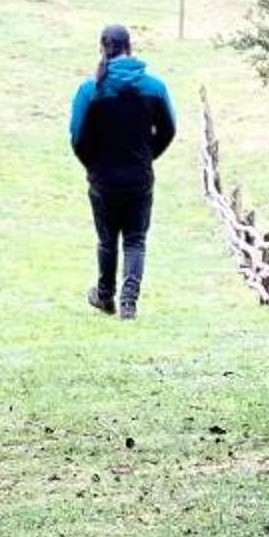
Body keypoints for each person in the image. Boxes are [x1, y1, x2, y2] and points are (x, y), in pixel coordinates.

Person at [69, 23, 176, 318]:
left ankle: (105, 296)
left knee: (107, 241)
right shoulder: (154, 88)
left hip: (103, 180)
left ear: (102, 49)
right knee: (135, 240)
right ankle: (129, 303)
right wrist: (147, 157)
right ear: (130, 47)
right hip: (139, 178)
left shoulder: (90, 90)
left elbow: (77, 137)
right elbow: (168, 129)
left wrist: (93, 165)